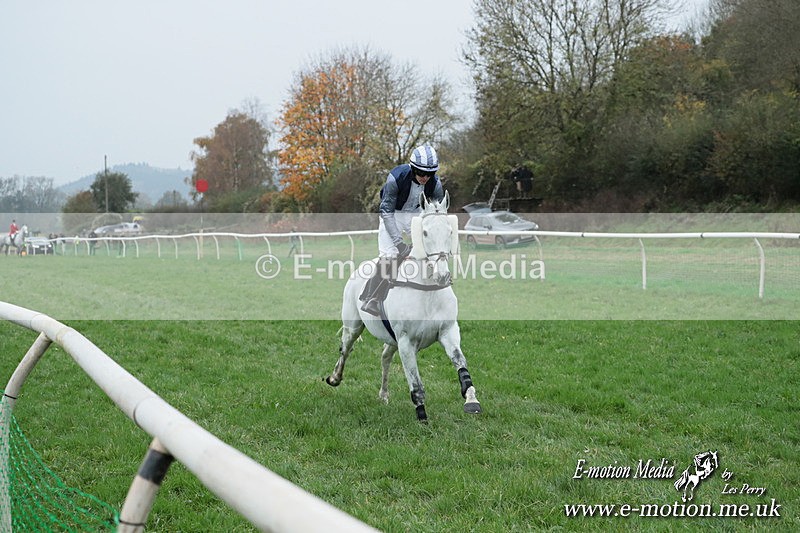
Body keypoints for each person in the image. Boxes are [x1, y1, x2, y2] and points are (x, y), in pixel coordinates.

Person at [360, 144, 445, 315]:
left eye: (429, 173)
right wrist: (399, 244)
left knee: (430, 250)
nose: (425, 177)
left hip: (416, 213)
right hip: (392, 214)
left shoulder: (435, 184)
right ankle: (372, 297)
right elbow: (386, 211)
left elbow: (438, 214)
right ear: (413, 169)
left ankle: (437, 283)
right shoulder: (396, 177)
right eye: (421, 173)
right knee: (390, 256)